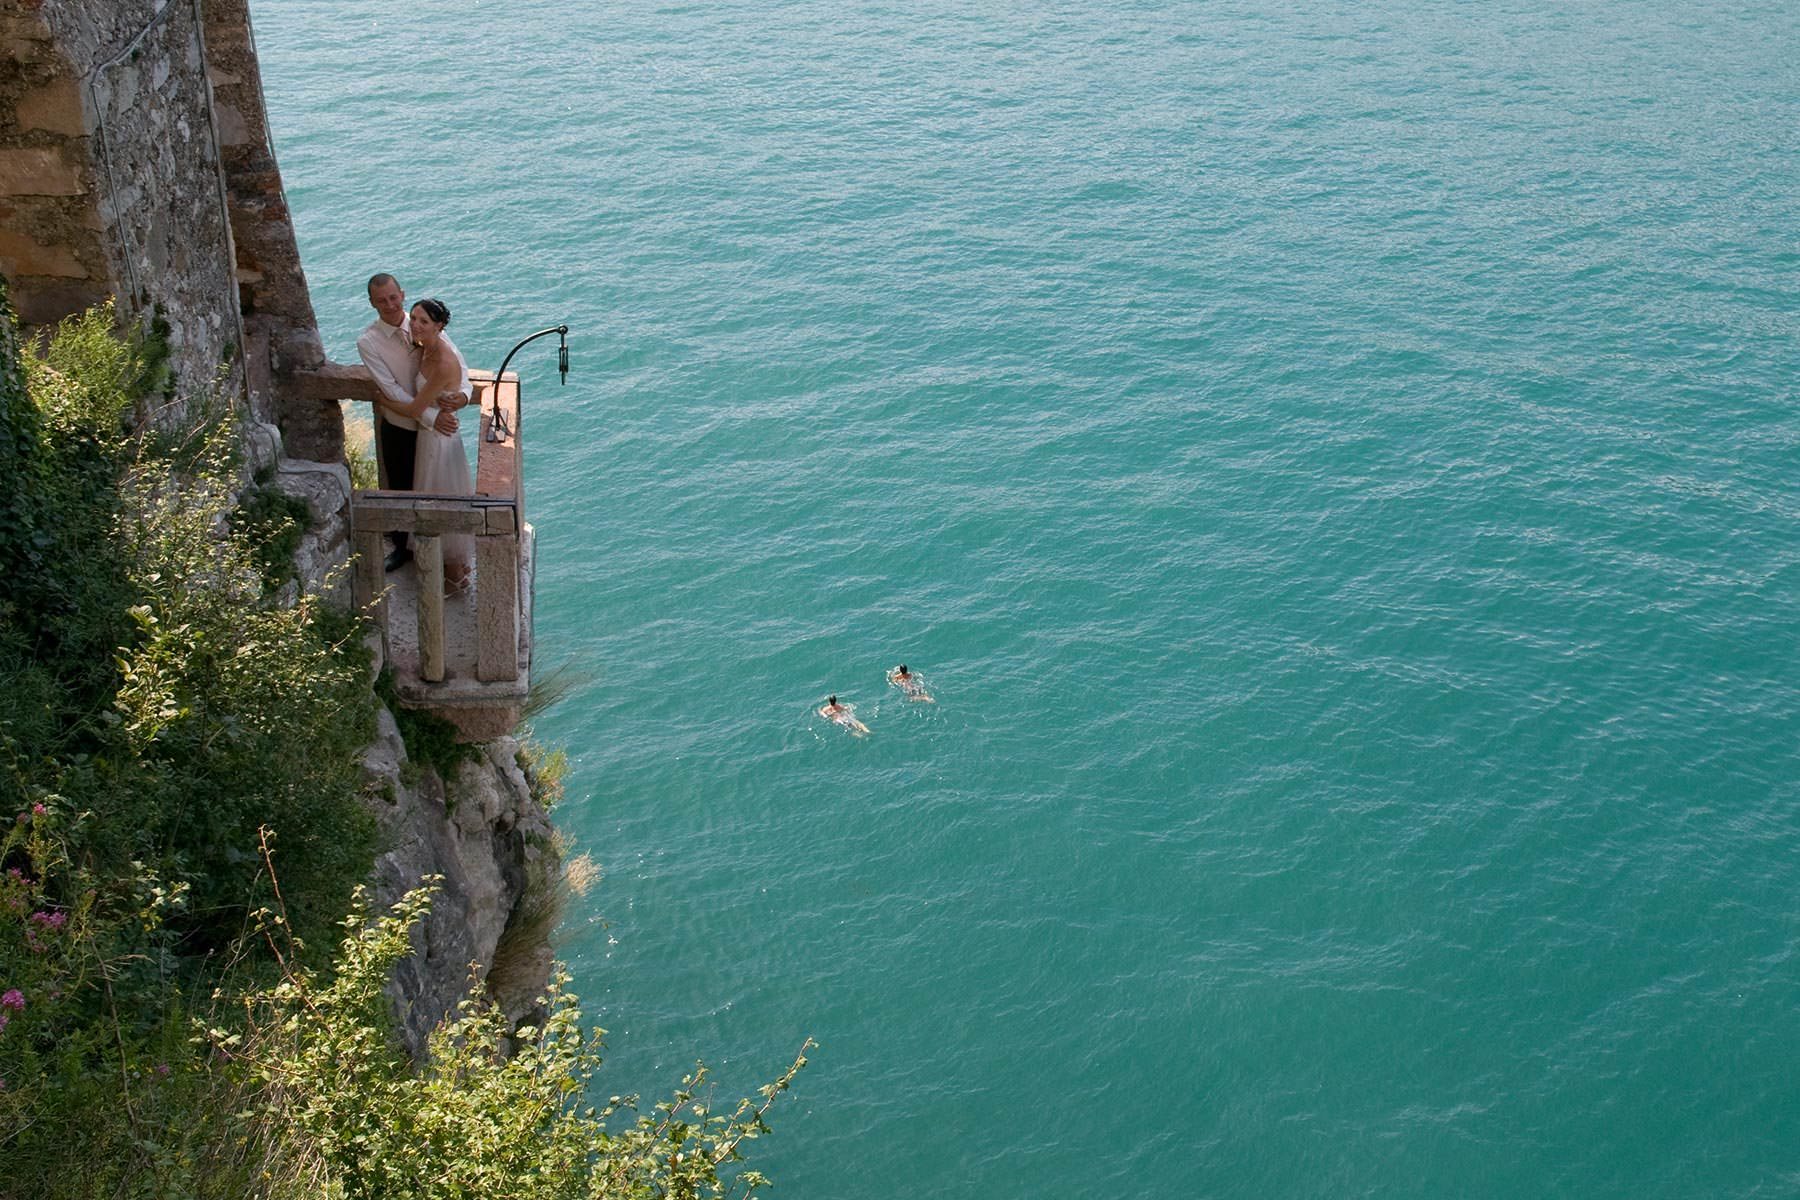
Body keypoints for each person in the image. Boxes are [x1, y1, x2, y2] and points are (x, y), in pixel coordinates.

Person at [355, 273, 470, 571]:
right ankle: (402, 548)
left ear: (402, 295)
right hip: (402, 426)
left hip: (432, 427)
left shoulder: (425, 321)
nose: (390, 305)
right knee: (402, 487)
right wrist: (432, 417)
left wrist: (464, 397)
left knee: (435, 490)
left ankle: (440, 555)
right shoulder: (369, 341)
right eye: (381, 300)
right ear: (372, 303)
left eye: (393, 297)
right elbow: (390, 389)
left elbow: (460, 368)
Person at [379, 298, 474, 593]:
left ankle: (455, 579)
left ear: (439, 326)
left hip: (439, 441)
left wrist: (382, 399)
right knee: (429, 499)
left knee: (439, 502)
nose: (416, 325)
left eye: (424, 321)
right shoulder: (425, 346)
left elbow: (415, 408)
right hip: (428, 437)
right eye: (415, 319)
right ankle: (446, 570)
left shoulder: (443, 360)